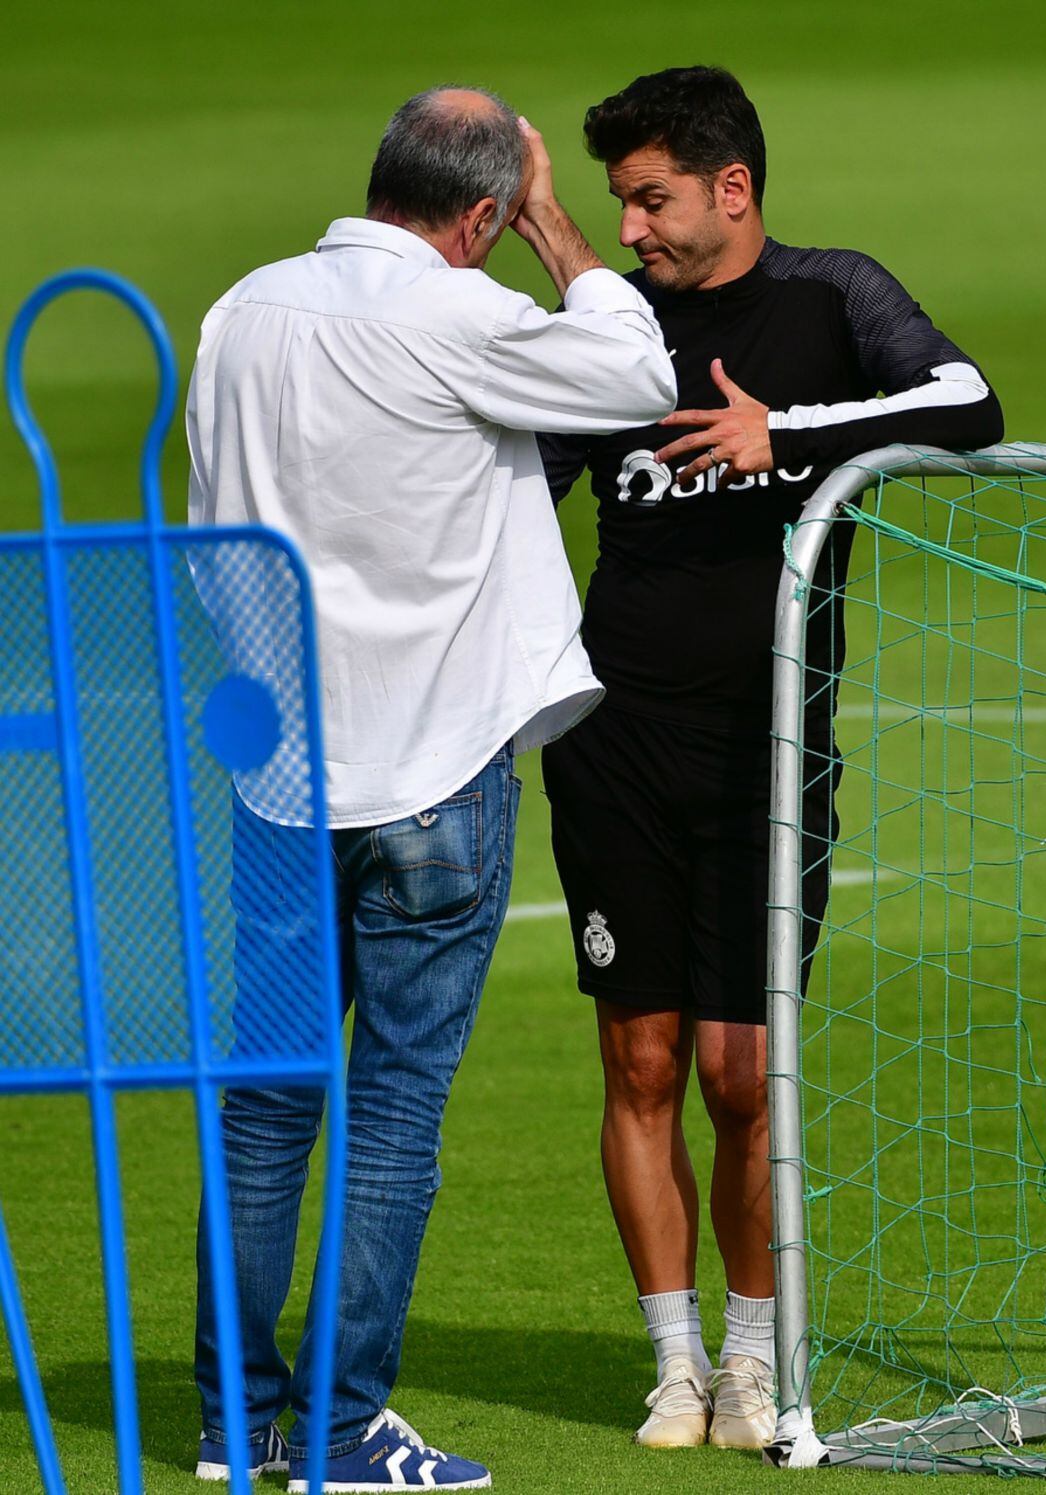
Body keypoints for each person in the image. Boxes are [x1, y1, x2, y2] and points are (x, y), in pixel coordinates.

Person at [186, 86, 676, 1491]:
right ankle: (342, 1431)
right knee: (395, 1112)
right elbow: (635, 371)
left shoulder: (241, 311)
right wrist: (559, 229)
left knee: (265, 1106)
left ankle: (232, 1427)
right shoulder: (464, 316)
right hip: (431, 779)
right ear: (479, 214)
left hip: (277, 772)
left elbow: (219, 501)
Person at [538, 64, 1003, 1452]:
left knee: (746, 1072)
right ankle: (677, 1366)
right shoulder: (615, 334)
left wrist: (781, 436)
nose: (635, 230)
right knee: (641, 1063)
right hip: (612, 741)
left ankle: (754, 1360)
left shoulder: (829, 296)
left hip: (772, 747)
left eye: (653, 199)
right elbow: (516, 481)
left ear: (731, 190)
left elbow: (970, 404)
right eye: (618, 204)